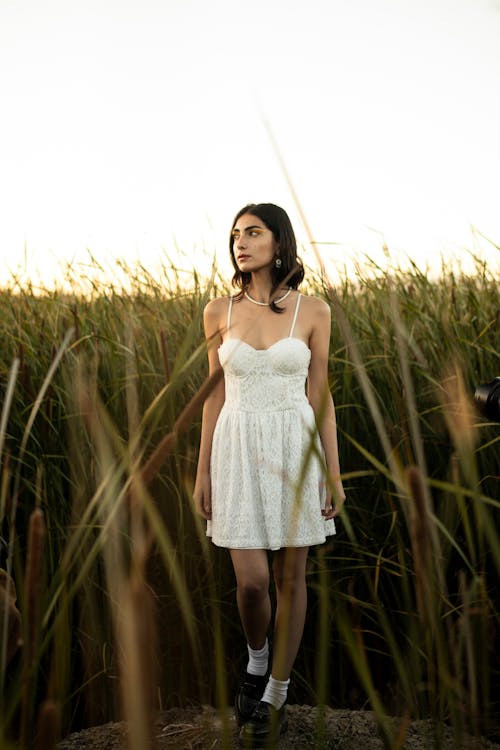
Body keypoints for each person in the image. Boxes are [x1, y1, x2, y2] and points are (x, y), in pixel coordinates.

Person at [193, 203, 345, 746]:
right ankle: (258, 658)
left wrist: (332, 470)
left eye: (253, 232)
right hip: (235, 448)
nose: (241, 242)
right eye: (235, 234)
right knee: (252, 584)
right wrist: (202, 468)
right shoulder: (218, 311)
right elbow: (212, 399)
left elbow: (320, 398)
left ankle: (277, 691)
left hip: (294, 447)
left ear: (279, 242)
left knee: (289, 579)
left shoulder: (314, 311)